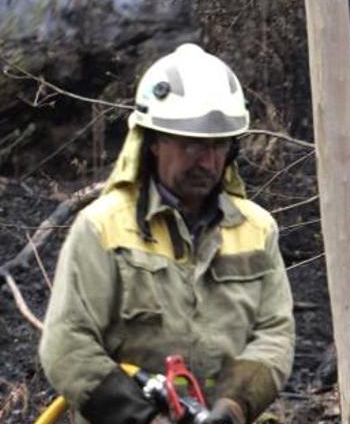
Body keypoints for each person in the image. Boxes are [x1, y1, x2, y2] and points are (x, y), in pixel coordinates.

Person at [39, 44, 295, 424]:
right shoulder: (102, 228)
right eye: (191, 144)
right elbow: (66, 345)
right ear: (153, 142)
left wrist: (234, 408)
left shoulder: (256, 229)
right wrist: (144, 418)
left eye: (217, 146)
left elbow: (274, 332)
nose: (206, 161)